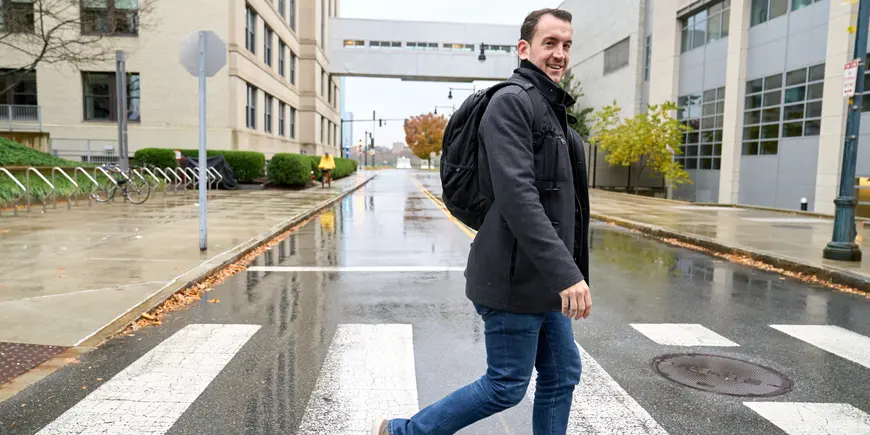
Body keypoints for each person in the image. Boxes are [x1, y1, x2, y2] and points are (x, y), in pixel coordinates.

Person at [372, 8, 592, 435]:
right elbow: (518, 197)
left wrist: (568, 272)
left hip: (543, 278)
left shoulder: (552, 110)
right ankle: (400, 432)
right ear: (525, 49)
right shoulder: (513, 103)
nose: (560, 53)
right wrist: (568, 274)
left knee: (562, 373)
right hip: (512, 277)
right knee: (506, 385)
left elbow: (564, 205)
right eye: (550, 43)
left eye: (566, 45)